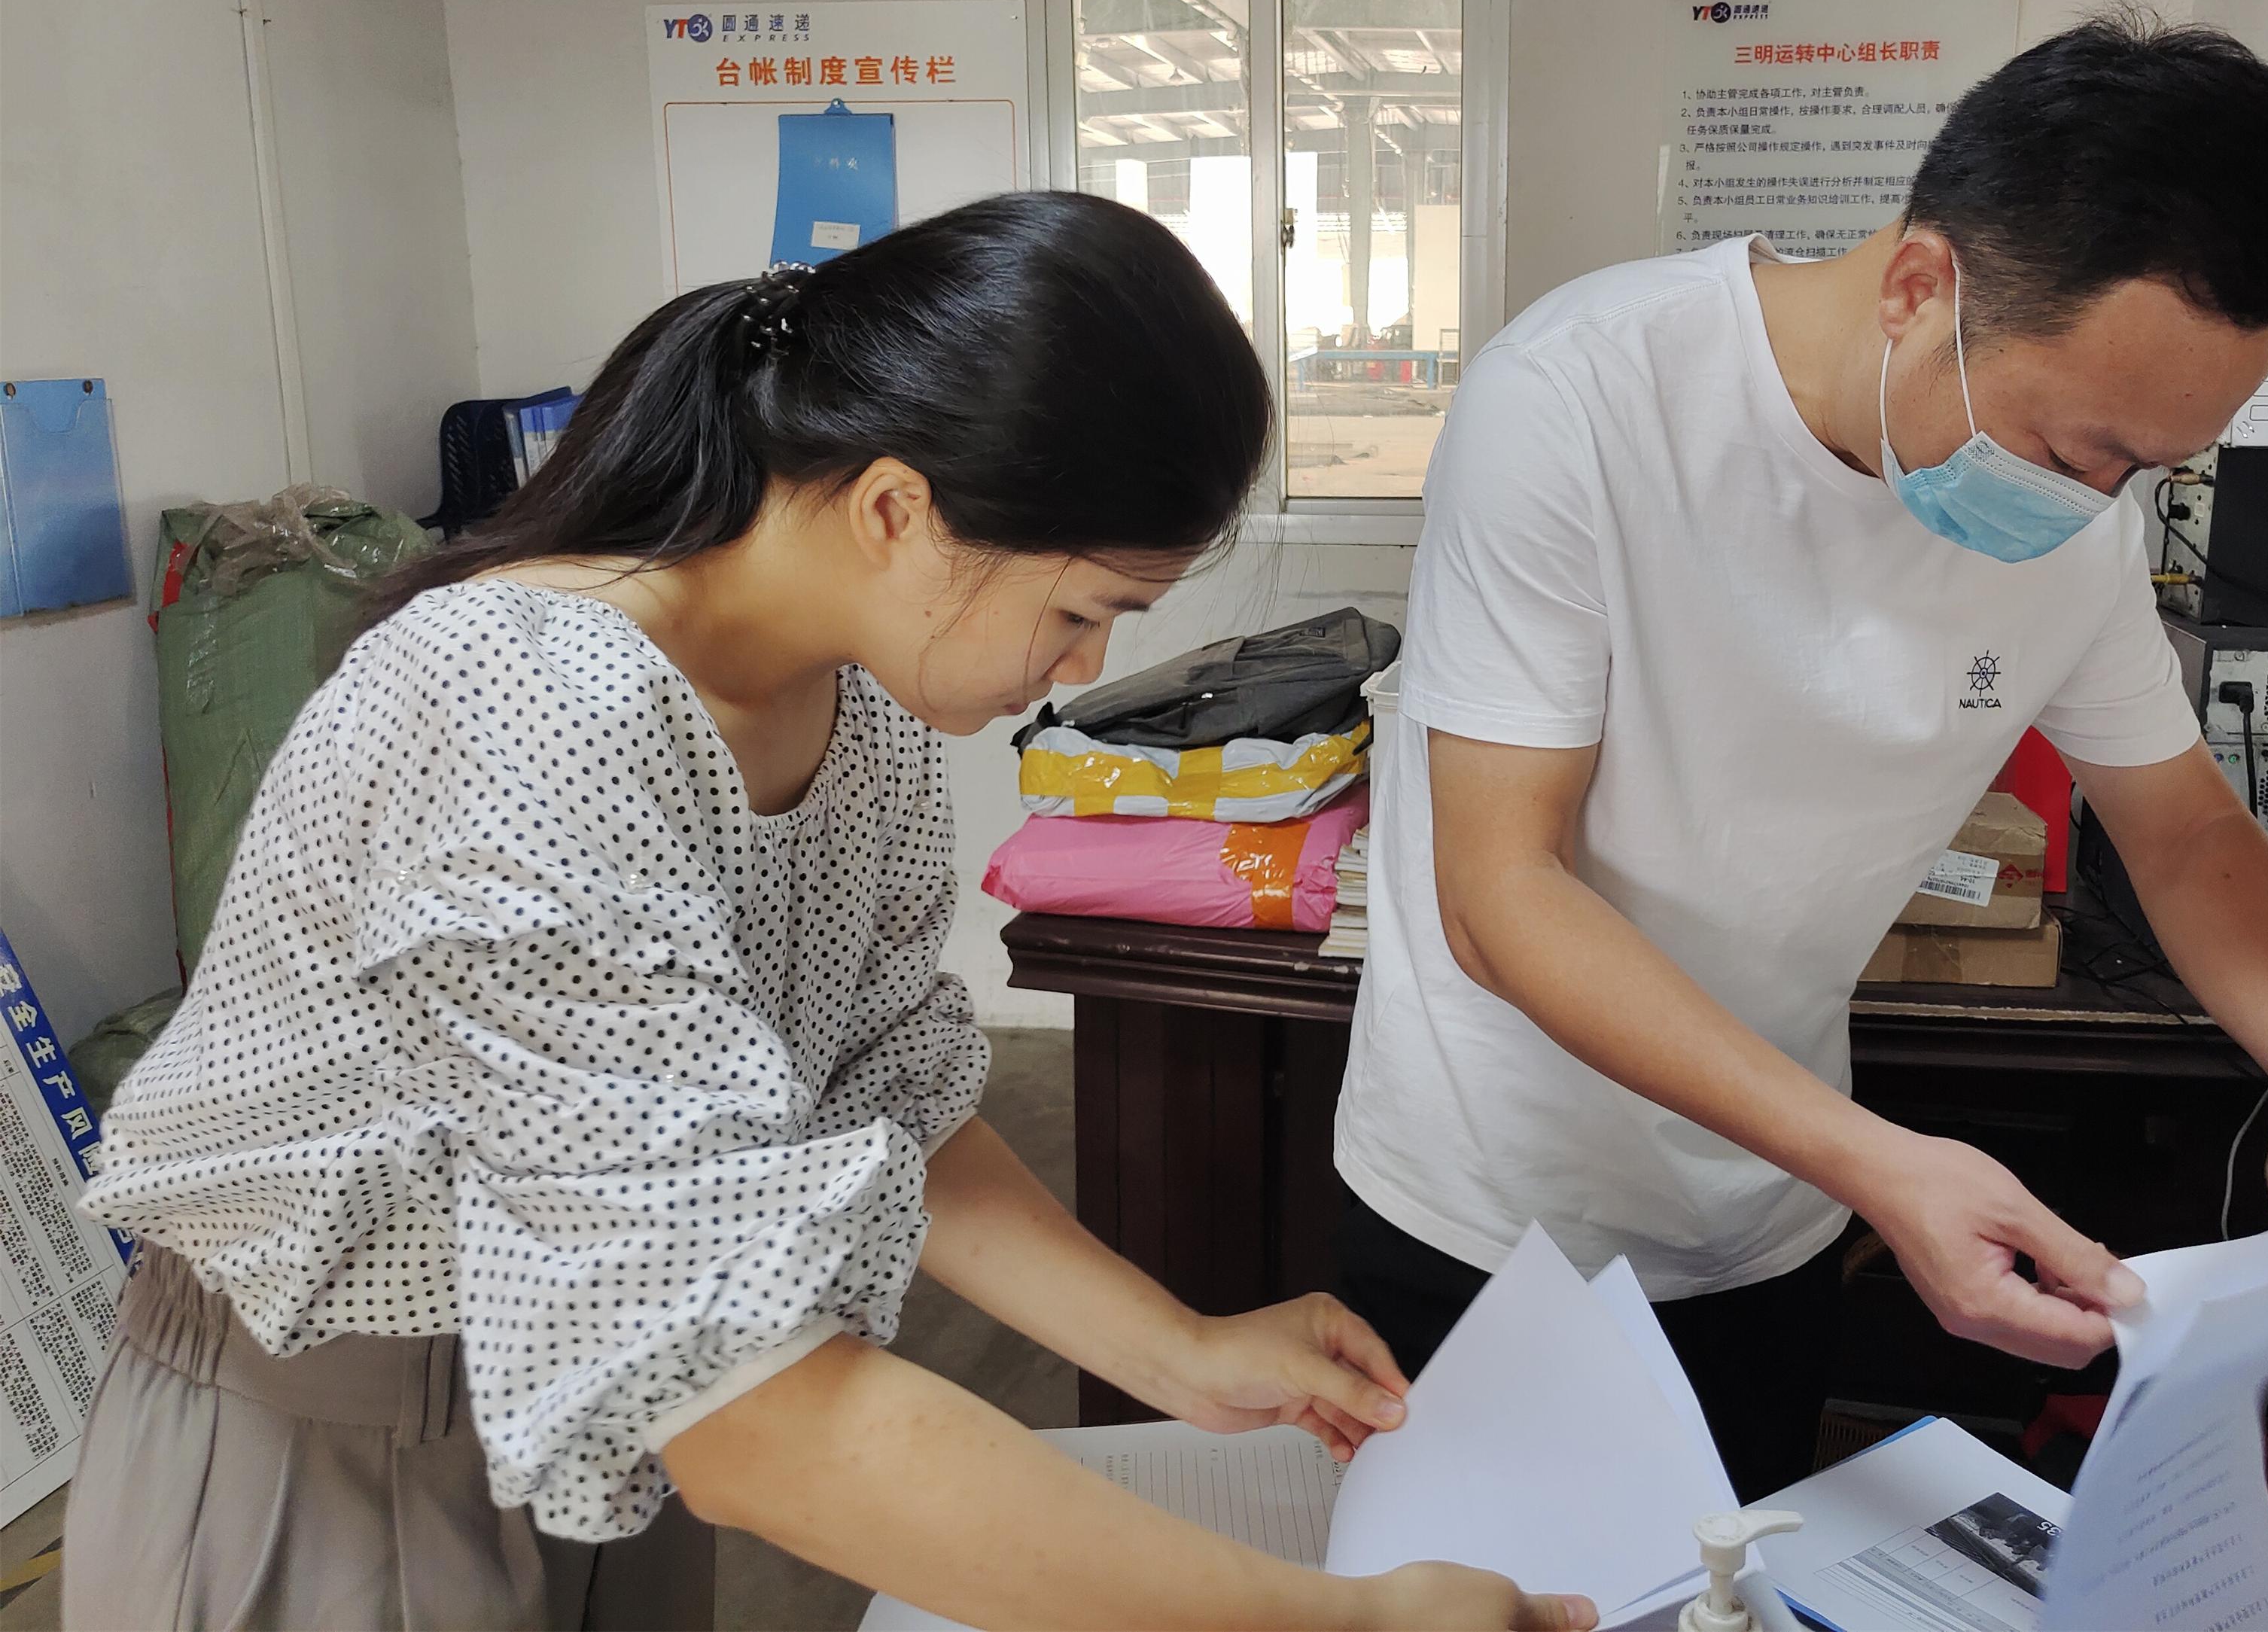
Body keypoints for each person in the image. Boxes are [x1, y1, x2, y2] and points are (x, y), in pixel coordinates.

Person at [67, 193, 1592, 1632]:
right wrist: (1342, 1615)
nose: (1080, 668)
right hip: (334, 1445)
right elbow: (749, 1412)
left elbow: (890, 1095)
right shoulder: (526, 705)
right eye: (1081, 611)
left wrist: (1175, 1348)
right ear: (896, 507)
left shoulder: (857, 725)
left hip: (612, 1428)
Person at [1332, 15, 2268, 1501]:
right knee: (1462, 1588)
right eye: (2075, 449)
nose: (2100, 501)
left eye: (2147, 468)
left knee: (1725, 1578)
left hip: (1769, 1207)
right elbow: (1501, 892)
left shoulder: (2081, 523)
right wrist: (1875, 1159)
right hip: (1490, 1204)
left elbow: (2185, 828)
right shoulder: (1579, 398)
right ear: (1921, 285)